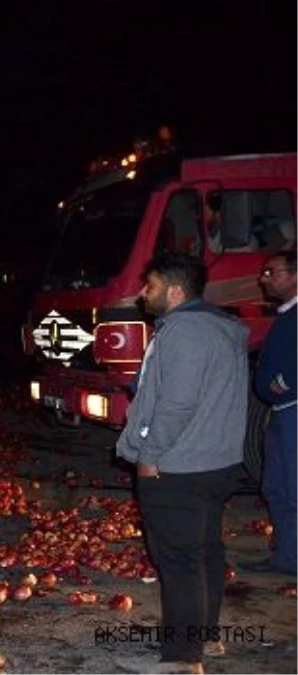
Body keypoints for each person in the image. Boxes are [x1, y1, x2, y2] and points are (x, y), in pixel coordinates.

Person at [113, 252, 247, 675]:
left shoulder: (184, 332)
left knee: (179, 560)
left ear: (174, 290)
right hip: (215, 461)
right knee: (205, 551)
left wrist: (150, 455)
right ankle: (203, 636)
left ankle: (182, 657)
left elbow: (177, 404)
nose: (141, 292)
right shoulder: (219, 327)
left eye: (148, 285)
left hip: (180, 465)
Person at [242, 252, 298, 576]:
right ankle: (286, 556)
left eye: (271, 272)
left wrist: (283, 383)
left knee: (292, 488)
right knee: (275, 486)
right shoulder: (286, 314)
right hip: (280, 414)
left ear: (294, 276)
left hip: (292, 411)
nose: (263, 278)